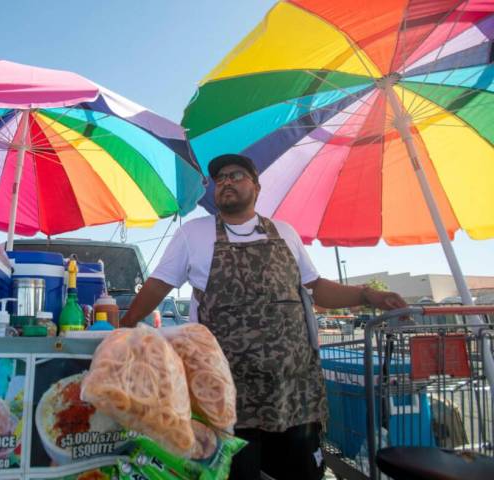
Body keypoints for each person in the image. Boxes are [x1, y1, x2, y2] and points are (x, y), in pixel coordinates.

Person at [120, 153, 406, 480]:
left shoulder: (285, 233)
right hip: (225, 388)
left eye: (236, 175)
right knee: (236, 474)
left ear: (256, 187)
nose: (226, 182)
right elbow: (158, 285)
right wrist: (124, 326)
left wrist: (368, 295)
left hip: (292, 390)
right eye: (220, 178)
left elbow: (316, 289)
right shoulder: (193, 234)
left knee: (300, 474)